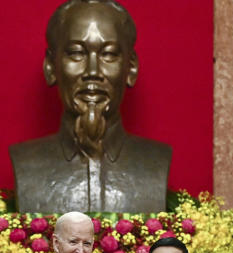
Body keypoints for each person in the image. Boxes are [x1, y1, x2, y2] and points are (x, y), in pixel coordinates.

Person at [10, 0, 171, 214]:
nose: (93, 71)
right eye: (77, 53)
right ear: (50, 67)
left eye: (109, 54)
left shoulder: (155, 161)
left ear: (131, 68)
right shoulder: (27, 163)